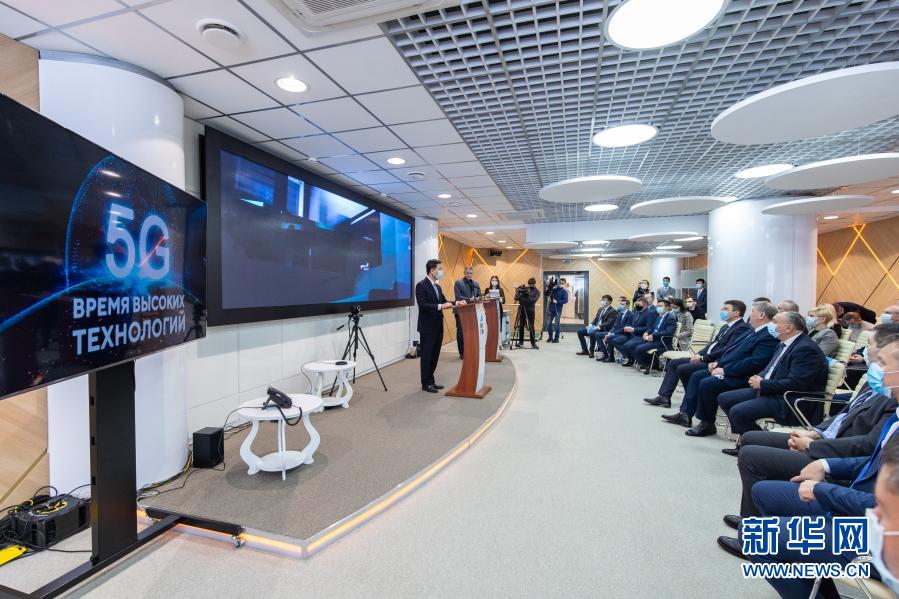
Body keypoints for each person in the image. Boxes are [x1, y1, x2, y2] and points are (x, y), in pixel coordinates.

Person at [730, 332, 897, 519]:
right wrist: (814, 433)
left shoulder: (891, 397)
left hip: (838, 454)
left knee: (751, 457)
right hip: (826, 442)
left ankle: (751, 523)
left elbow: (867, 446)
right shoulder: (874, 384)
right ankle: (762, 514)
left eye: (871, 346)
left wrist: (812, 446)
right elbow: (843, 415)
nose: (865, 350)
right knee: (750, 438)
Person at [716, 311, 828, 451]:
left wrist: (763, 383)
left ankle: (758, 444)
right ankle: (749, 440)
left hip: (790, 399)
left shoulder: (806, 349)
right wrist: (759, 378)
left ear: (788, 328)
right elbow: (771, 369)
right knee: (725, 398)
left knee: (738, 412)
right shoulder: (784, 343)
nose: (771, 325)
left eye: (775, 322)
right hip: (772, 390)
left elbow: (797, 383)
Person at [662, 301, 779, 432]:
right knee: (696, 376)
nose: (749, 315)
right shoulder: (753, 330)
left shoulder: (767, 335)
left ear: (761, 315)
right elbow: (731, 349)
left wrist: (725, 370)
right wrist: (718, 362)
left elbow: (755, 362)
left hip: (741, 375)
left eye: (753, 312)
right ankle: (686, 413)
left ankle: (707, 423)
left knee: (707, 383)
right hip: (727, 367)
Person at [644, 300, 750, 408]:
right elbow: (711, 345)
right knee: (673, 363)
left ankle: (692, 400)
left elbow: (726, 350)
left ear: (736, 312)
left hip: (715, 362)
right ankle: (664, 397)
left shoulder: (741, 328)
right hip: (707, 358)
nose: (722, 311)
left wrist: (703, 358)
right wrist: (699, 354)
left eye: (725, 309)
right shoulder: (726, 326)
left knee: (683, 369)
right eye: (722, 308)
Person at [416, 259, 462, 393]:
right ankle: (425, 383)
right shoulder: (421, 285)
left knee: (435, 355)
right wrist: (440, 306)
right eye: (439, 269)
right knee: (427, 356)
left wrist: (456, 303)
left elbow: (445, 301)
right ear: (432, 270)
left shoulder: (438, 287)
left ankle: (431, 381)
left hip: (438, 327)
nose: (441, 272)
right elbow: (423, 305)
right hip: (427, 328)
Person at [611, 298, 658, 368]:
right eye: (636, 304)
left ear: (645, 305)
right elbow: (632, 324)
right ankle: (631, 358)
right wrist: (628, 328)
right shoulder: (636, 312)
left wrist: (634, 329)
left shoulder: (649, 313)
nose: (637, 306)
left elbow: (649, 327)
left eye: (639, 304)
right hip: (632, 334)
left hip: (641, 335)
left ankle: (642, 362)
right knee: (615, 341)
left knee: (628, 345)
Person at [633, 299, 677, 373]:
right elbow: (652, 328)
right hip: (653, 339)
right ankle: (650, 363)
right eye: (657, 306)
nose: (658, 308)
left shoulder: (670, 318)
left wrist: (653, 335)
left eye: (660, 306)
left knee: (639, 348)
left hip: (662, 341)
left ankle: (647, 365)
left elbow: (668, 332)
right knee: (634, 345)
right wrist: (647, 332)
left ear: (667, 308)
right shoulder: (659, 316)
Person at [453, 266, 481, 359]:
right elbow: (458, 296)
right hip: (461, 311)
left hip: (472, 311)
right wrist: (470, 299)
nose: (469, 275)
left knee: (471, 332)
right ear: (464, 273)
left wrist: (478, 298)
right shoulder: (458, 283)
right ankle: (462, 352)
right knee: (461, 332)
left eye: (471, 273)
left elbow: (480, 296)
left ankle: (470, 350)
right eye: (467, 273)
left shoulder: (476, 284)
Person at [514, 278, 539, 349]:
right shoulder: (525, 289)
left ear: (534, 284)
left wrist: (527, 295)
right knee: (521, 325)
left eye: (532, 284)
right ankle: (520, 342)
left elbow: (533, 300)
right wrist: (517, 291)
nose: (530, 285)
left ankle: (533, 343)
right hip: (522, 308)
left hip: (530, 310)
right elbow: (517, 298)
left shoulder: (537, 292)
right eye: (529, 284)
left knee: (531, 326)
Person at [546, 277, 568, 343]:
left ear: (564, 284)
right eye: (560, 282)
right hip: (551, 308)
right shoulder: (554, 290)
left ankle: (556, 338)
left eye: (562, 283)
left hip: (558, 310)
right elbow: (547, 294)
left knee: (557, 324)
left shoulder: (564, 292)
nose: (560, 284)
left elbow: (565, 300)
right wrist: (549, 296)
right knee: (548, 323)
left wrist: (557, 301)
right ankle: (550, 337)